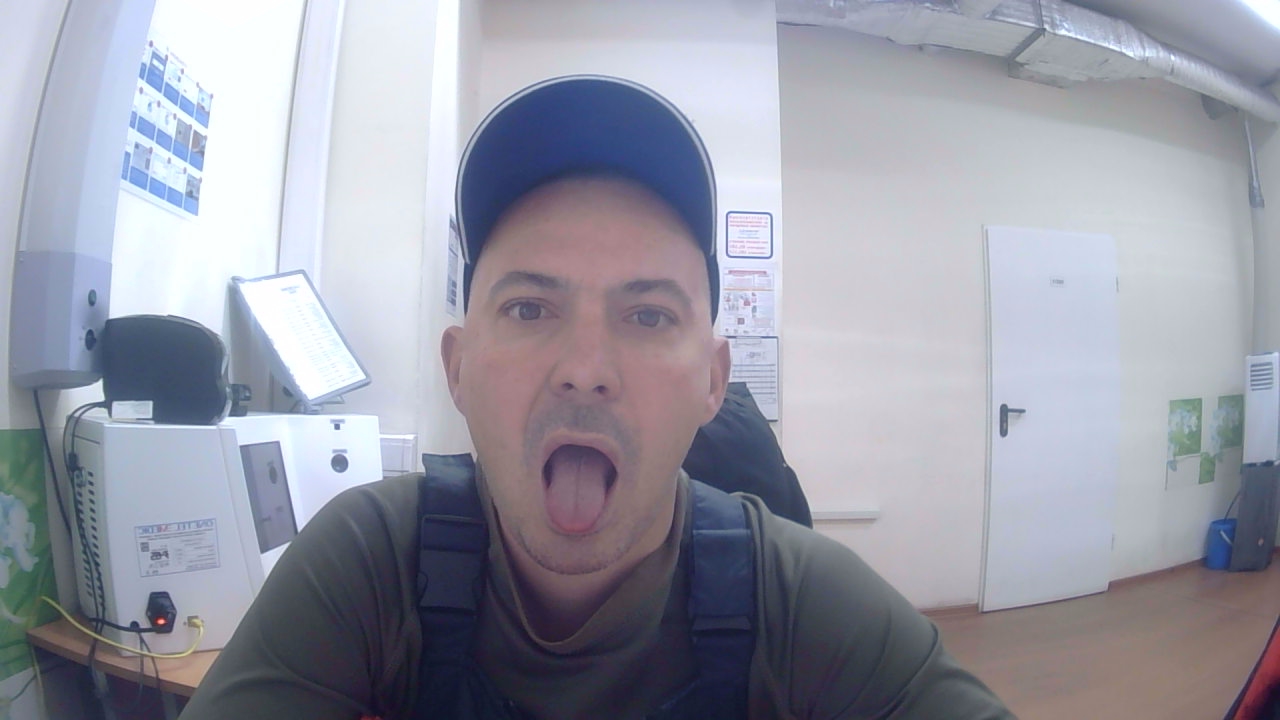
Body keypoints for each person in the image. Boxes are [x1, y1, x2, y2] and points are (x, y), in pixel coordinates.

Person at [179, 75, 1012, 720]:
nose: (584, 369)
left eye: (647, 315)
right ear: (458, 368)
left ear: (714, 381)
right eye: (529, 308)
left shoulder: (798, 600)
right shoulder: (370, 564)